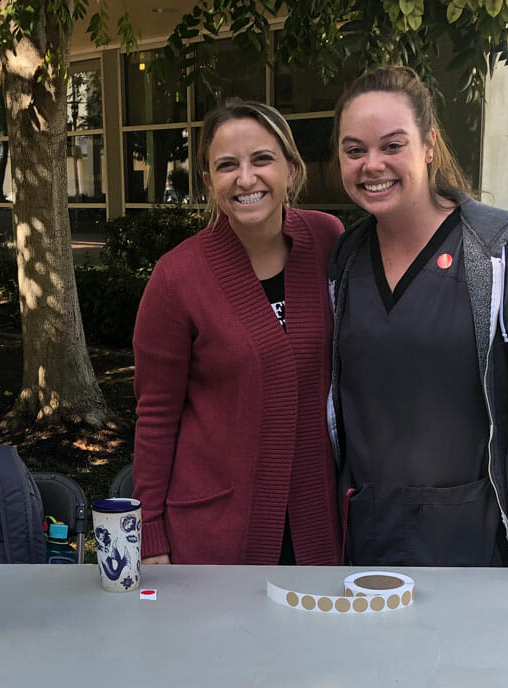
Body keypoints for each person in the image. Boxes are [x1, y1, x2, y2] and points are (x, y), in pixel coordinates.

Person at [327, 66, 508, 573]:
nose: (372, 164)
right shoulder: (343, 264)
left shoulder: (501, 254)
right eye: (355, 150)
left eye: (392, 145)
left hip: (477, 544)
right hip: (365, 540)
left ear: (429, 145)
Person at [133, 99, 343, 566]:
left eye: (262, 159)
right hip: (216, 532)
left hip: (318, 523)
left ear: (291, 169)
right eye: (227, 166)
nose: (245, 179)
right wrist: (149, 535)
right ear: (209, 182)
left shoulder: (329, 242)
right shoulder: (176, 278)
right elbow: (156, 416)